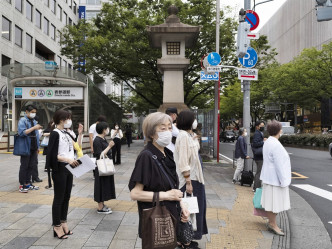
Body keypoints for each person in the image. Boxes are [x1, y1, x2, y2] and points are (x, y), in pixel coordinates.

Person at [128, 112, 192, 249]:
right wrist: (166, 195)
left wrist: (182, 205)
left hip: (170, 216)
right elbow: (135, 193)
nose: (168, 132)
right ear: (151, 133)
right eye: (162, 129)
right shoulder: (146, 156)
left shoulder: (167, 154)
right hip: (155, 221)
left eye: (169, 127)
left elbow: (171, 187)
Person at [46, 110, 81, 239]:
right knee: (59, 197)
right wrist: (67, 160)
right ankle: (56, 225)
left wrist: (80, 134)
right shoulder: (55, 133)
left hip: (69, 168)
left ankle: (63, 222)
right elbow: (51, 155)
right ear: (61, 120)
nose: (69, 120)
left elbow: (75, 148)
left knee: (66, 197)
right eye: (68, 118)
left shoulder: (66, 133)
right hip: (60, 168)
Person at [174, 110, 208, 243]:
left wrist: (193, 139)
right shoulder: (182, 136)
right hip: (190, 179)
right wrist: (188, 181)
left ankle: (188, 237)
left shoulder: (188, 135)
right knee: (189, 209)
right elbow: (183, 161)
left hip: (196, 179)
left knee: (194, 209)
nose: (195, 121)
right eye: (193, 119)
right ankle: (184, 240)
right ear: (188, 121)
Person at [260, 120, 291, 236]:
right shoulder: (276, 145)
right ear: (278, 130)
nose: (282, 130)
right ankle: (273, 224)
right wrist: (284, 181)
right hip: (275, 179)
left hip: (268, 177)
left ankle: (272, 223)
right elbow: (279, 165)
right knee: (275, 203)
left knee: (270, 202)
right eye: (281, 129)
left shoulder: (268, 142)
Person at [17, 105, 42, 193]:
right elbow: (22, 132)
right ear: (26, 112)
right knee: (24, 166)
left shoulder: (34, 121)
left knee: (32, 165)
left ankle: (28, 183)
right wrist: (34, 128)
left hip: (33, 146)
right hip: (26, 146)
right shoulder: (23, 120)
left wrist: (38, 147)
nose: (33, 114)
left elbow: (36, 135)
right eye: (32, 112)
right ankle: (22, 184)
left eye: (35, 112)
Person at [93, 121, 116, 214]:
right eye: (107, 128)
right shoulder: (97, 140)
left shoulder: (102, 139)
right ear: (103, 130)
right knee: (100, 185)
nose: (108, 130)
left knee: (104, 185)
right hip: (101, 166)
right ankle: (100, 207)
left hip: (105, 166)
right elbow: (99, 154)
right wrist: (109, 147)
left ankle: (102, 204)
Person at [252, 120, 267, 192]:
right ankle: (257, 188)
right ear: (257, 127)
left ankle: (255, 187)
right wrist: (263, 142)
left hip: (259, 155)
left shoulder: (259, 133)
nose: (263, 127)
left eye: (263, 126)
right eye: (261, 126)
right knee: (259, 172)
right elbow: (255, 144)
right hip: (259, 156)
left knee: (259, 172)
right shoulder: (257, 133)